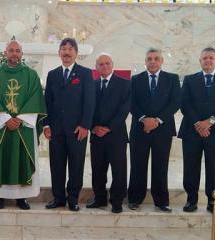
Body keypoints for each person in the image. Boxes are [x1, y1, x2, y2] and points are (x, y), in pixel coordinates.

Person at [0, 40, 46, 210]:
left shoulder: (32, 75)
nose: (14, 54)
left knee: (22, 158)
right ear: (5, 53)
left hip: (24, 126)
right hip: (2, 126)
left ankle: (22, 197)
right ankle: (0, 196)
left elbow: (36, 98)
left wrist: (20, 119)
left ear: (22, 54)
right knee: (1, 156)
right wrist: (5, 119)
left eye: (17, 51)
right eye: (11, 50)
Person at [44, 38, 95, 212]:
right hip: (56, 129)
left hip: (77, 129)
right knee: (56, 165)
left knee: (76, 164)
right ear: (59, 53)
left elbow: (90, 102)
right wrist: (46, 125)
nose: (67, 52)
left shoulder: (85, 74)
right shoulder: (52, 74)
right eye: (63, 49)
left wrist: (85, 125)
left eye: (70, 49)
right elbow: (48, 101)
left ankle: (73, 199)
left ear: (76, 53)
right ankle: (58, 197)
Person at [128, 47, 181, 212]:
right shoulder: (135, 79)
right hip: (140, 128)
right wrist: (145, 119)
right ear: (145, 61)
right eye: (149, 58)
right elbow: (131, 102)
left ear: (162, 61)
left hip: (162, 129)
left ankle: (161, 201)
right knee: (138, 165)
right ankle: (135, 198)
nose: (152, 62)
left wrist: (157, 120)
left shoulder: (172, 79)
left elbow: (176, 102)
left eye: (156, 58)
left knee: (160, 165)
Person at [179, 47, 215, 215]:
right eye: (205, 58)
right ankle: (191, 199)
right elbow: (184, 103)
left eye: (211, 58)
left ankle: (213, 202)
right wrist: (198, 123)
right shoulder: (190, 80)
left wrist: (210, 122)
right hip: (192, 131)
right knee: (191, 166)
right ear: (200, 61)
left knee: (213, 167)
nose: (208, 60)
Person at [86, 53, 131, 214]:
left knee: (118, 169)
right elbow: (87, 108)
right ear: (96, 67)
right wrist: (94, 127)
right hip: (96, 134)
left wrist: (109, 127)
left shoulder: (125, 84)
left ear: (112, 64)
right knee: (97, 168)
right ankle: (99, 198)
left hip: (116, 134)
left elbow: (124, 109)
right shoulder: (92, 84)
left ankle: (117, 201)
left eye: (107, 63)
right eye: (101, 64)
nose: (105, 66)